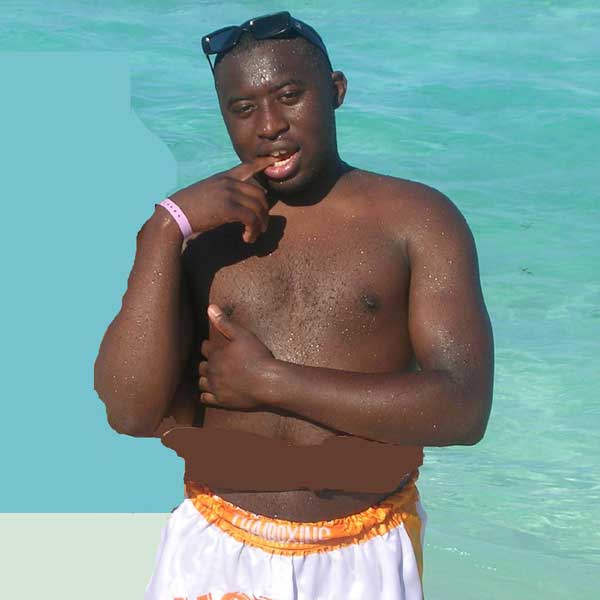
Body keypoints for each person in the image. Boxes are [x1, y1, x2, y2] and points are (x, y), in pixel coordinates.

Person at [94, 11, 494, 600]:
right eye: (243, 108)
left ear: (335, 91)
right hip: (212, 546)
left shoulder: (417, 220)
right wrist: (162, 229)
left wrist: (272, 382)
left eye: (289, 96)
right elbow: (129, 412)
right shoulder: (201, 236)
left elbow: (462, 409)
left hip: (365, 550)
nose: (269, 125)